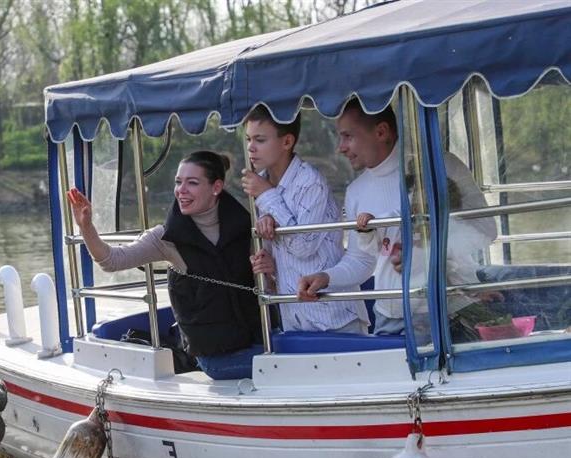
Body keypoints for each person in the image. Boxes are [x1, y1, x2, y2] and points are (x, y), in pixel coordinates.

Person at [67, 150, 273, 380]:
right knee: (286, 364)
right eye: (178, 182)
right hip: (215, 358)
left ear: (216, 187)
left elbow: (272, 285)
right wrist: (86, 226)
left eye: (192, 183)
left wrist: (269, 271)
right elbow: (111, 261)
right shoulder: (165, 238)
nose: (181, 190)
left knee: (290, 356)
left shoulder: (248, 227)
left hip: (258, 340)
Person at [240, 105, 369, 334]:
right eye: (248, 139)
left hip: (335, 319)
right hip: (294, 318)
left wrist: (268, 196)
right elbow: (278, 254)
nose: (251, 147)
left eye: (260, 140)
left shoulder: (310, 182)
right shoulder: (260, 184)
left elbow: (303, 246)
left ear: (287, 142)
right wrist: (269, 266)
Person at [297, 99, 395, 332]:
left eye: (348, 136)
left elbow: (479, 229)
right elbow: (362, 260)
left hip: (450, 307)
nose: (340, 148)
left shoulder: (438, 169)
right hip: (389, 315)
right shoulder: (355, 191)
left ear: (381, 132)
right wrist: (326, 278)